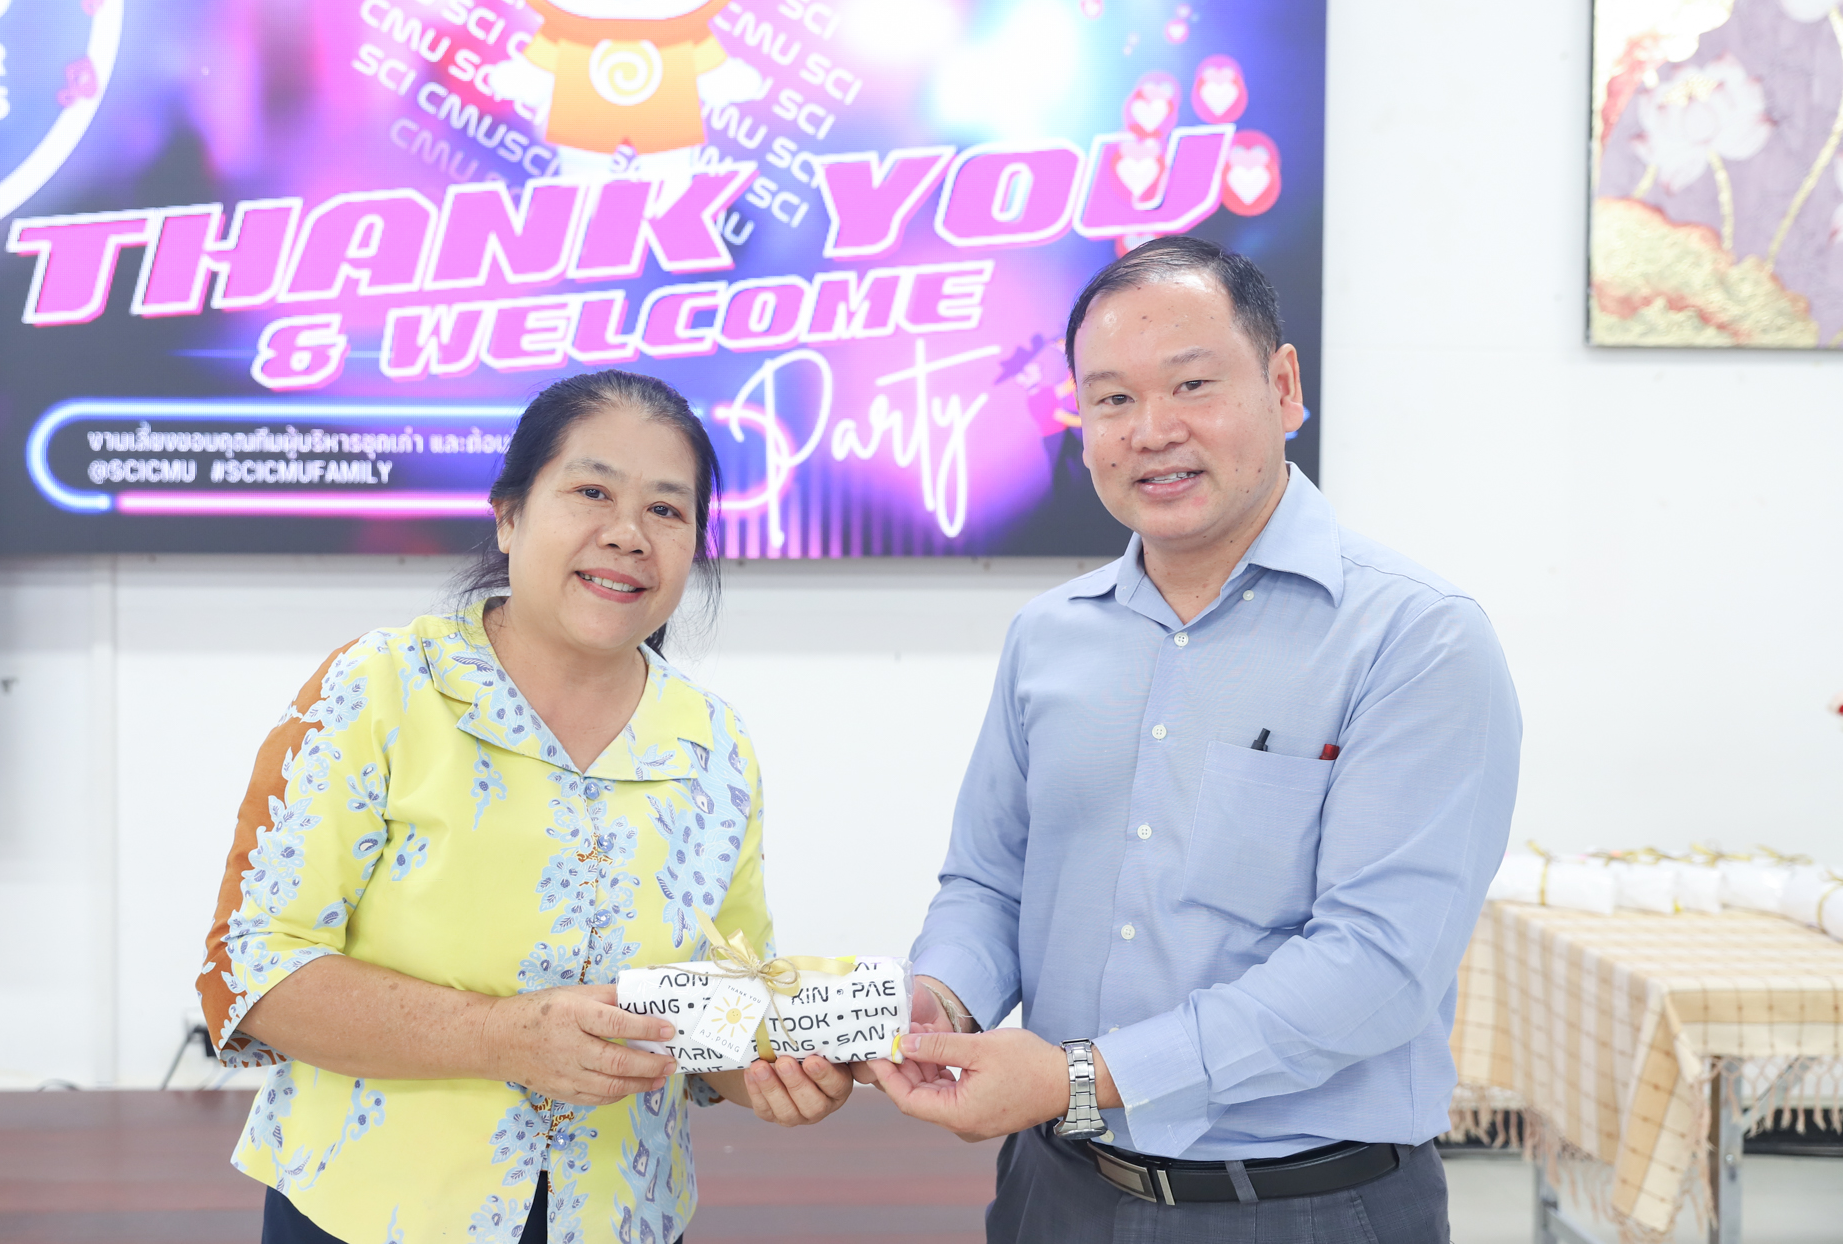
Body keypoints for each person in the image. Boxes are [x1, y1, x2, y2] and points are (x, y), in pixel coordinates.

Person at [861, 236, 1521, 1243]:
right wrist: (939, 999)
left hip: (1306, 1208)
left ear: (1283, 386)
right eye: (1111, 399)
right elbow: (989, 882)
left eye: (1192, 384)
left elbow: (1376, 966)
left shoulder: (1415, 638)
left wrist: (1079, 1076)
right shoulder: (1048, 636)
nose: (1151, 430)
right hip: (1055, 1192)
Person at [196, 371, 850, 1244]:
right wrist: (503, 1035)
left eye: (666, 509)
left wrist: (778, 1067)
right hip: (370, 1217)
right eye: (591, 492)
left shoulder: (714, 744)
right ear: (508, 515)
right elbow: (253, 970)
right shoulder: (380, 687)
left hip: (621, 1216)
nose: (628, 534)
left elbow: (716, 1008)